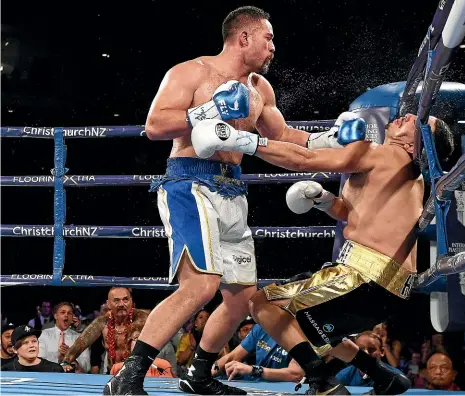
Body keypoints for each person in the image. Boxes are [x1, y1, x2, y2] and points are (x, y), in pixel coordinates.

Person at [103, 5, 358, 396]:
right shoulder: (192, 72)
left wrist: (331, 137)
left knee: (241, 297)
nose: (274, 47)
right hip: (190, 183)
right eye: (268, 38)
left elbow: (284, 135)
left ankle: (199, 376)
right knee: (200, 287)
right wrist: (208, 111)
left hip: (233, 190)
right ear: (244, 38)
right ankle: (129, 378)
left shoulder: (260, 89)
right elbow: (154, 126)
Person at [190, 112, 455, 394]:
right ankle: (383, 376)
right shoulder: (400, 171)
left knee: (262, 304)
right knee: (303, 324)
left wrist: (239, 140)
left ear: (415, 145)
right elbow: (353, 213)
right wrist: (323, 200)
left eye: (420, 121)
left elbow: (305, 160)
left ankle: (321, 380)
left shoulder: (388, 155)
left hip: (365, 276)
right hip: (380, 283)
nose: (410, 114)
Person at [65, 287, 149, 372]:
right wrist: (66, 361)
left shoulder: (142, 318)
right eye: (116, 300)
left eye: (125, 300)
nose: (121, 304)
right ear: (108, 304)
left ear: (131, 301)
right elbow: (81, 342)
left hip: (137, 374)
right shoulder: (102, 321)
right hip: (112, 374)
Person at [39, 301, 91, 373]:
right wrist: (58, 359)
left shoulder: (80, 338)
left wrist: (71, 357)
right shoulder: (44, 335)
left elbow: (87, 367)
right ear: (55, 316)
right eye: (62, 312)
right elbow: (39, 361)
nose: (66, 315)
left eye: (69, 313)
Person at [111, 320, 175, 378]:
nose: (140, 343)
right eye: (136, 338)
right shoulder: (117, 368)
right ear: (129, 344)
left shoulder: (162, 365)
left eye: (145, 340)